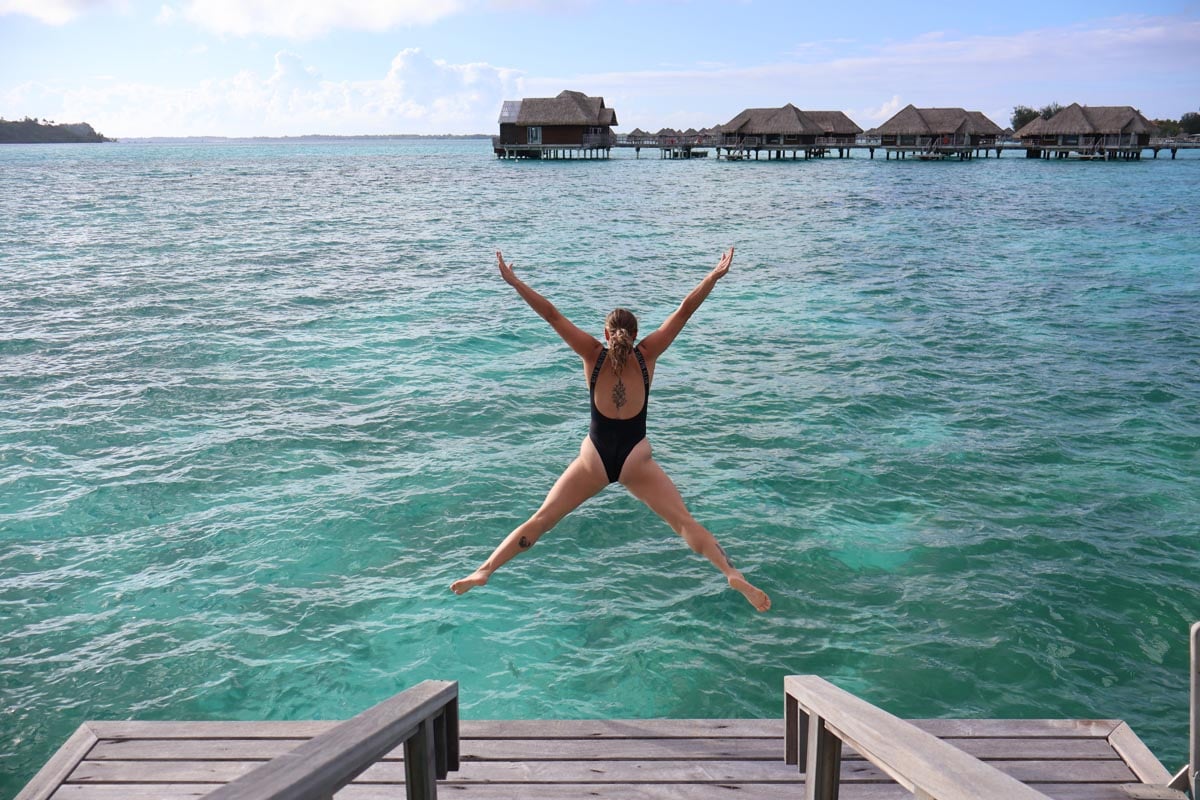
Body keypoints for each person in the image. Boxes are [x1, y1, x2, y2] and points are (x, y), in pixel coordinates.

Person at [450, 249, 771, 612]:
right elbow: (684, 310)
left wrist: (514, 282)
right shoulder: (647, 354)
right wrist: (713, 276)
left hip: (595, 458)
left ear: (607, 333)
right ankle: (730, 571)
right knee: (683, 523)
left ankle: (485, 570)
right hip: (636, 457)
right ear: (635, 335)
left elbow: (551, 314)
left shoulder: (592, 353)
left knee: (542, 519)